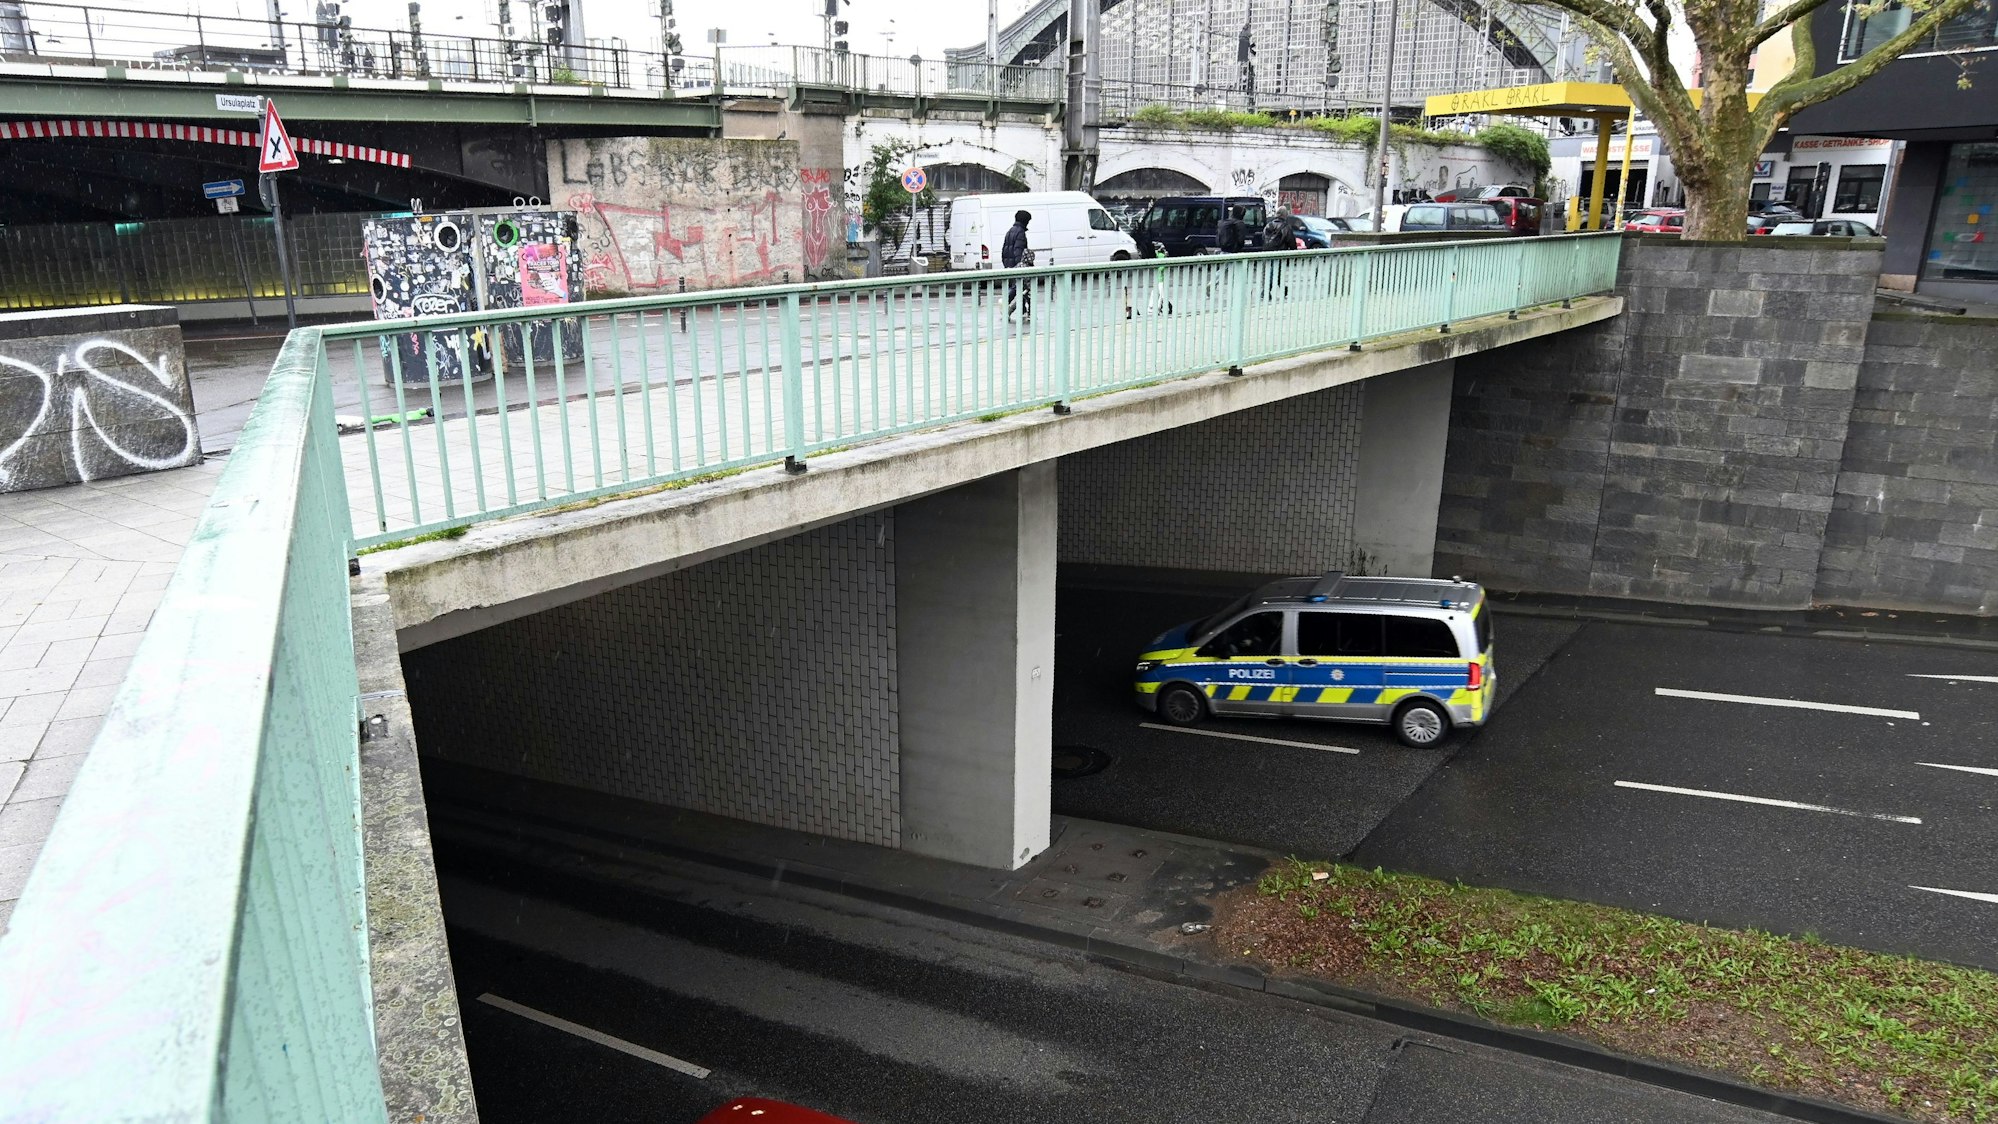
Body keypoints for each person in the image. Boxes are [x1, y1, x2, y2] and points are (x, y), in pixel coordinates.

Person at [1001, 209, 1034, 322]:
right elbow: (1018, 251)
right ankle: (1006, 304)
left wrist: (1006, 265)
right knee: (1021, 289)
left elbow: (1004, 250)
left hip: (1009, 265)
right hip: (1018, 266)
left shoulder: (1010, 231)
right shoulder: (1020, 233)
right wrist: (1021, 265)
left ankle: (1022, 311)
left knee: (1019, 289)